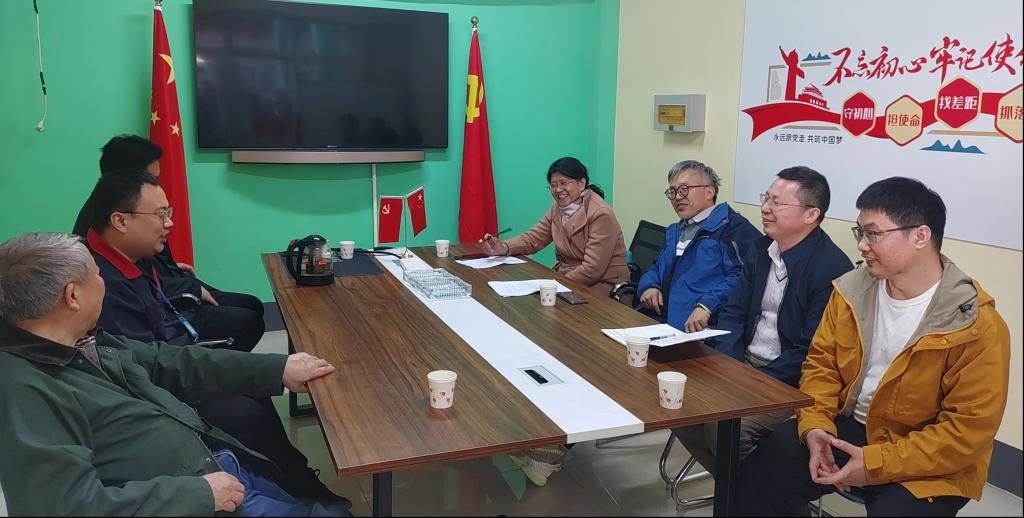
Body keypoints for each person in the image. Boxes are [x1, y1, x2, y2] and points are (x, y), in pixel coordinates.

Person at [0, 232, 350, 516]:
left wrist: (277, 367)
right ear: (73, 296)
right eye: (96, 275)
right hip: (196, 495)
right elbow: (60, 508)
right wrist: (198, 495)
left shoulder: (81, 341)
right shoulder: (24, 390)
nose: (103, 281)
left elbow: (170, 361)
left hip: (212, 466)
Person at [737, 177, 1010, 516]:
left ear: (920, 236)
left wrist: (874, 462)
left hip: (929, 456)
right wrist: (815, 427)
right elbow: (821, 367)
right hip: (850, 425)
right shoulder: (851, 292)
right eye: (860, 233)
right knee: (761, 473)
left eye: (873, 234)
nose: (862, 246)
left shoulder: (975, 323)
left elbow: (966, 431)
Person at [83, 169, 343, 503]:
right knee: (246, 410)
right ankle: (294, 489)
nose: (169, 223)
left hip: (179, 359)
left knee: (256, 388)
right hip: (160, 394)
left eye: (169, 212)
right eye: (160, 214)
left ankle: (294, 478)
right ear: (120, 221)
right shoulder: (103, 287)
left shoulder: (133, 256)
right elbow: (150, 369)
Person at [672, 166, 852, 475]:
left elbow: (810, 350)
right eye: (765, 198)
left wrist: (752, 383)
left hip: (792, 381)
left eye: (776, 202)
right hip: (745, 365)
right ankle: (743, 491)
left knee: (725, 428)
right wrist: (731, 368)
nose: (765, 209)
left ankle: (752, 493)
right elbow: (734, 312)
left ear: (811, 214)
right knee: (680, 406)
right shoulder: (760, 249)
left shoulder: (830, 269)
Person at [73, 134, 265, 353]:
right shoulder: (104, 282)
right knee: (246, 321)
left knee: (250, 309)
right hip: (171, 331)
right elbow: (154, 362)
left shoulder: (129, 245)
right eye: (150, 178)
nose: (169, 223)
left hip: (167, 312)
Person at [636, 160, 761, 331]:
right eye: (673, 191)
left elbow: (742, 275)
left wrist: (707, 305)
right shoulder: (676, 230)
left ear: (709, 192)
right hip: (658, 317)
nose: (677, 197)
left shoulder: (733, 228)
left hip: (698, 326)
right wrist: (649, 285)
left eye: (684, 189)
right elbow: (657, 266)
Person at [480, 157, 629, 295]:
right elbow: (534, 238)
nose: (558, 190)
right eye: (553, 185)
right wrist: (504, 247)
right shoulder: (559, 207)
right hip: (567, 278)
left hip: (601, 286)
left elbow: (592, 269)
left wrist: (554, 285)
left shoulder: (601, 214)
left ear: (581, 183)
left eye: (564, 183)